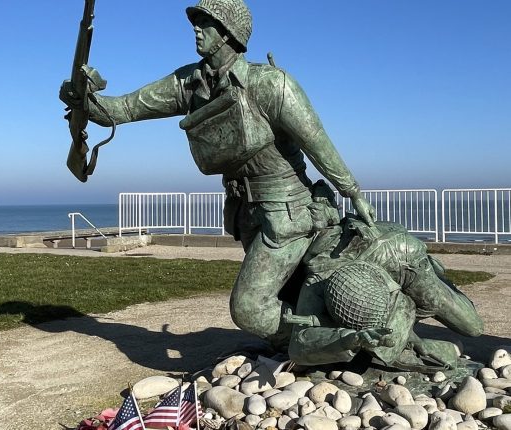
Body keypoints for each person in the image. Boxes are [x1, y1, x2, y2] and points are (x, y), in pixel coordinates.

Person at [60, 0, 376, 346]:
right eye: (196, 22)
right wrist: (84, 99)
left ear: (229, 34)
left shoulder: (270, 84)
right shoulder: (189, 83)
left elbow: (318, 144)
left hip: (288, 212)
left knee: (249, 308)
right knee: (283, 299)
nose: (196, 29)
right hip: (245, 214)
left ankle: (334, 342)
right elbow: (122, 109)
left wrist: (353, 193)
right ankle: (312, 344)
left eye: (206, 23)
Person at [286, 215, 484, 369]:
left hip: (401, 259)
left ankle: (438, 276)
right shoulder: (317, 281)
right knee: (387, 344)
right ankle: (402, 333)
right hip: (372, 277)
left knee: (472, 327)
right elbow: (298, 347)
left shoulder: (400, 252)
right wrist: (348, 339)